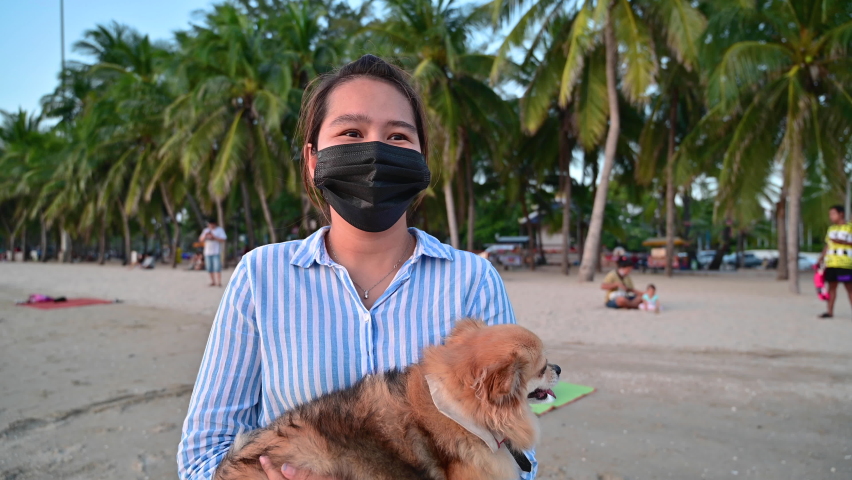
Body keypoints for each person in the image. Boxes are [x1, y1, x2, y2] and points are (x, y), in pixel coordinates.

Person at [177, 55, 537, 480]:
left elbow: (515, 458)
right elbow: (203, 454)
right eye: (351, 132)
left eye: (399, 136)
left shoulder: (472, 282)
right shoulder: (262, 277)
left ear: (422, 160)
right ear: (313, 160)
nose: (376, 151)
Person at [817, 205, 852, 319]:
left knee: (849, 288)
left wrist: (842, 242)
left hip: (845, 263)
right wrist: (821, 257)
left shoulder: (849, 227)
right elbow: (828, 244)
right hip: (831, 263)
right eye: (830, 214)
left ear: (841, 214)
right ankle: (829, 312)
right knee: (831, 287)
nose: (831, 217)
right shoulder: (831, 229)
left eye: (833, 214)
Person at [199, 219, 227, 287]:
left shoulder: (219, 230)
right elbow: (200, 240)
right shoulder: (205, 230)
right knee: (209, 267)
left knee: (217, 267)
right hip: (207, 252)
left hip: (216, 252)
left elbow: (224, 239)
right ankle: (213, 281)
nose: (211, 225)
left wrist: (214, 237)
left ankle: (219, 282)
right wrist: (205, 236)